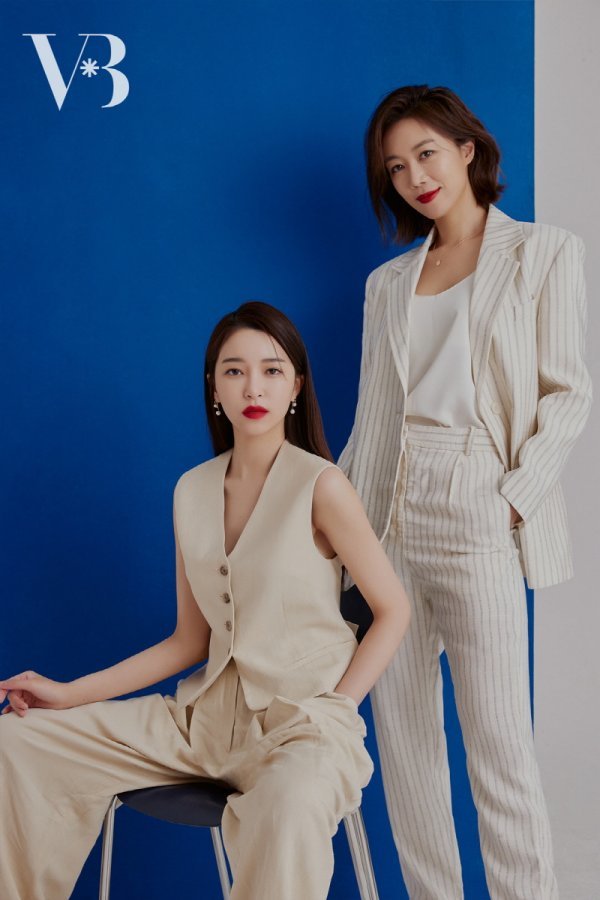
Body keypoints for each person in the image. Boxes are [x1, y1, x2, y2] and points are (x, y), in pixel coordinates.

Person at [0, 301, 411, 900]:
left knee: (290, 806)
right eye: (234, 370)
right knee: (19, 740)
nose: (253, 387)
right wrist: (67, 693)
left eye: (272, 370)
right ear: (214, 388)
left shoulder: (322, 486)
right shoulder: (190, 491)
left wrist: (337, 707)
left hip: (301, 727)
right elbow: (187, 642)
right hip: (199, 725)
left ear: (297, 386)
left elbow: (393, 610)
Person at [338, 85, 592, 900]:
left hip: (479, 493)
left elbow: (569, 392)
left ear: (467, 150)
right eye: (396, 167)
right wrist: (339, 534)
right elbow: (372, 420)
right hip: (389, 512)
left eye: (427, 154)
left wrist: (511, 497)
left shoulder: (543, 252)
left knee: (499, 746)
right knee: (406, 750)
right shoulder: (387, 283)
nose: (415, 177)